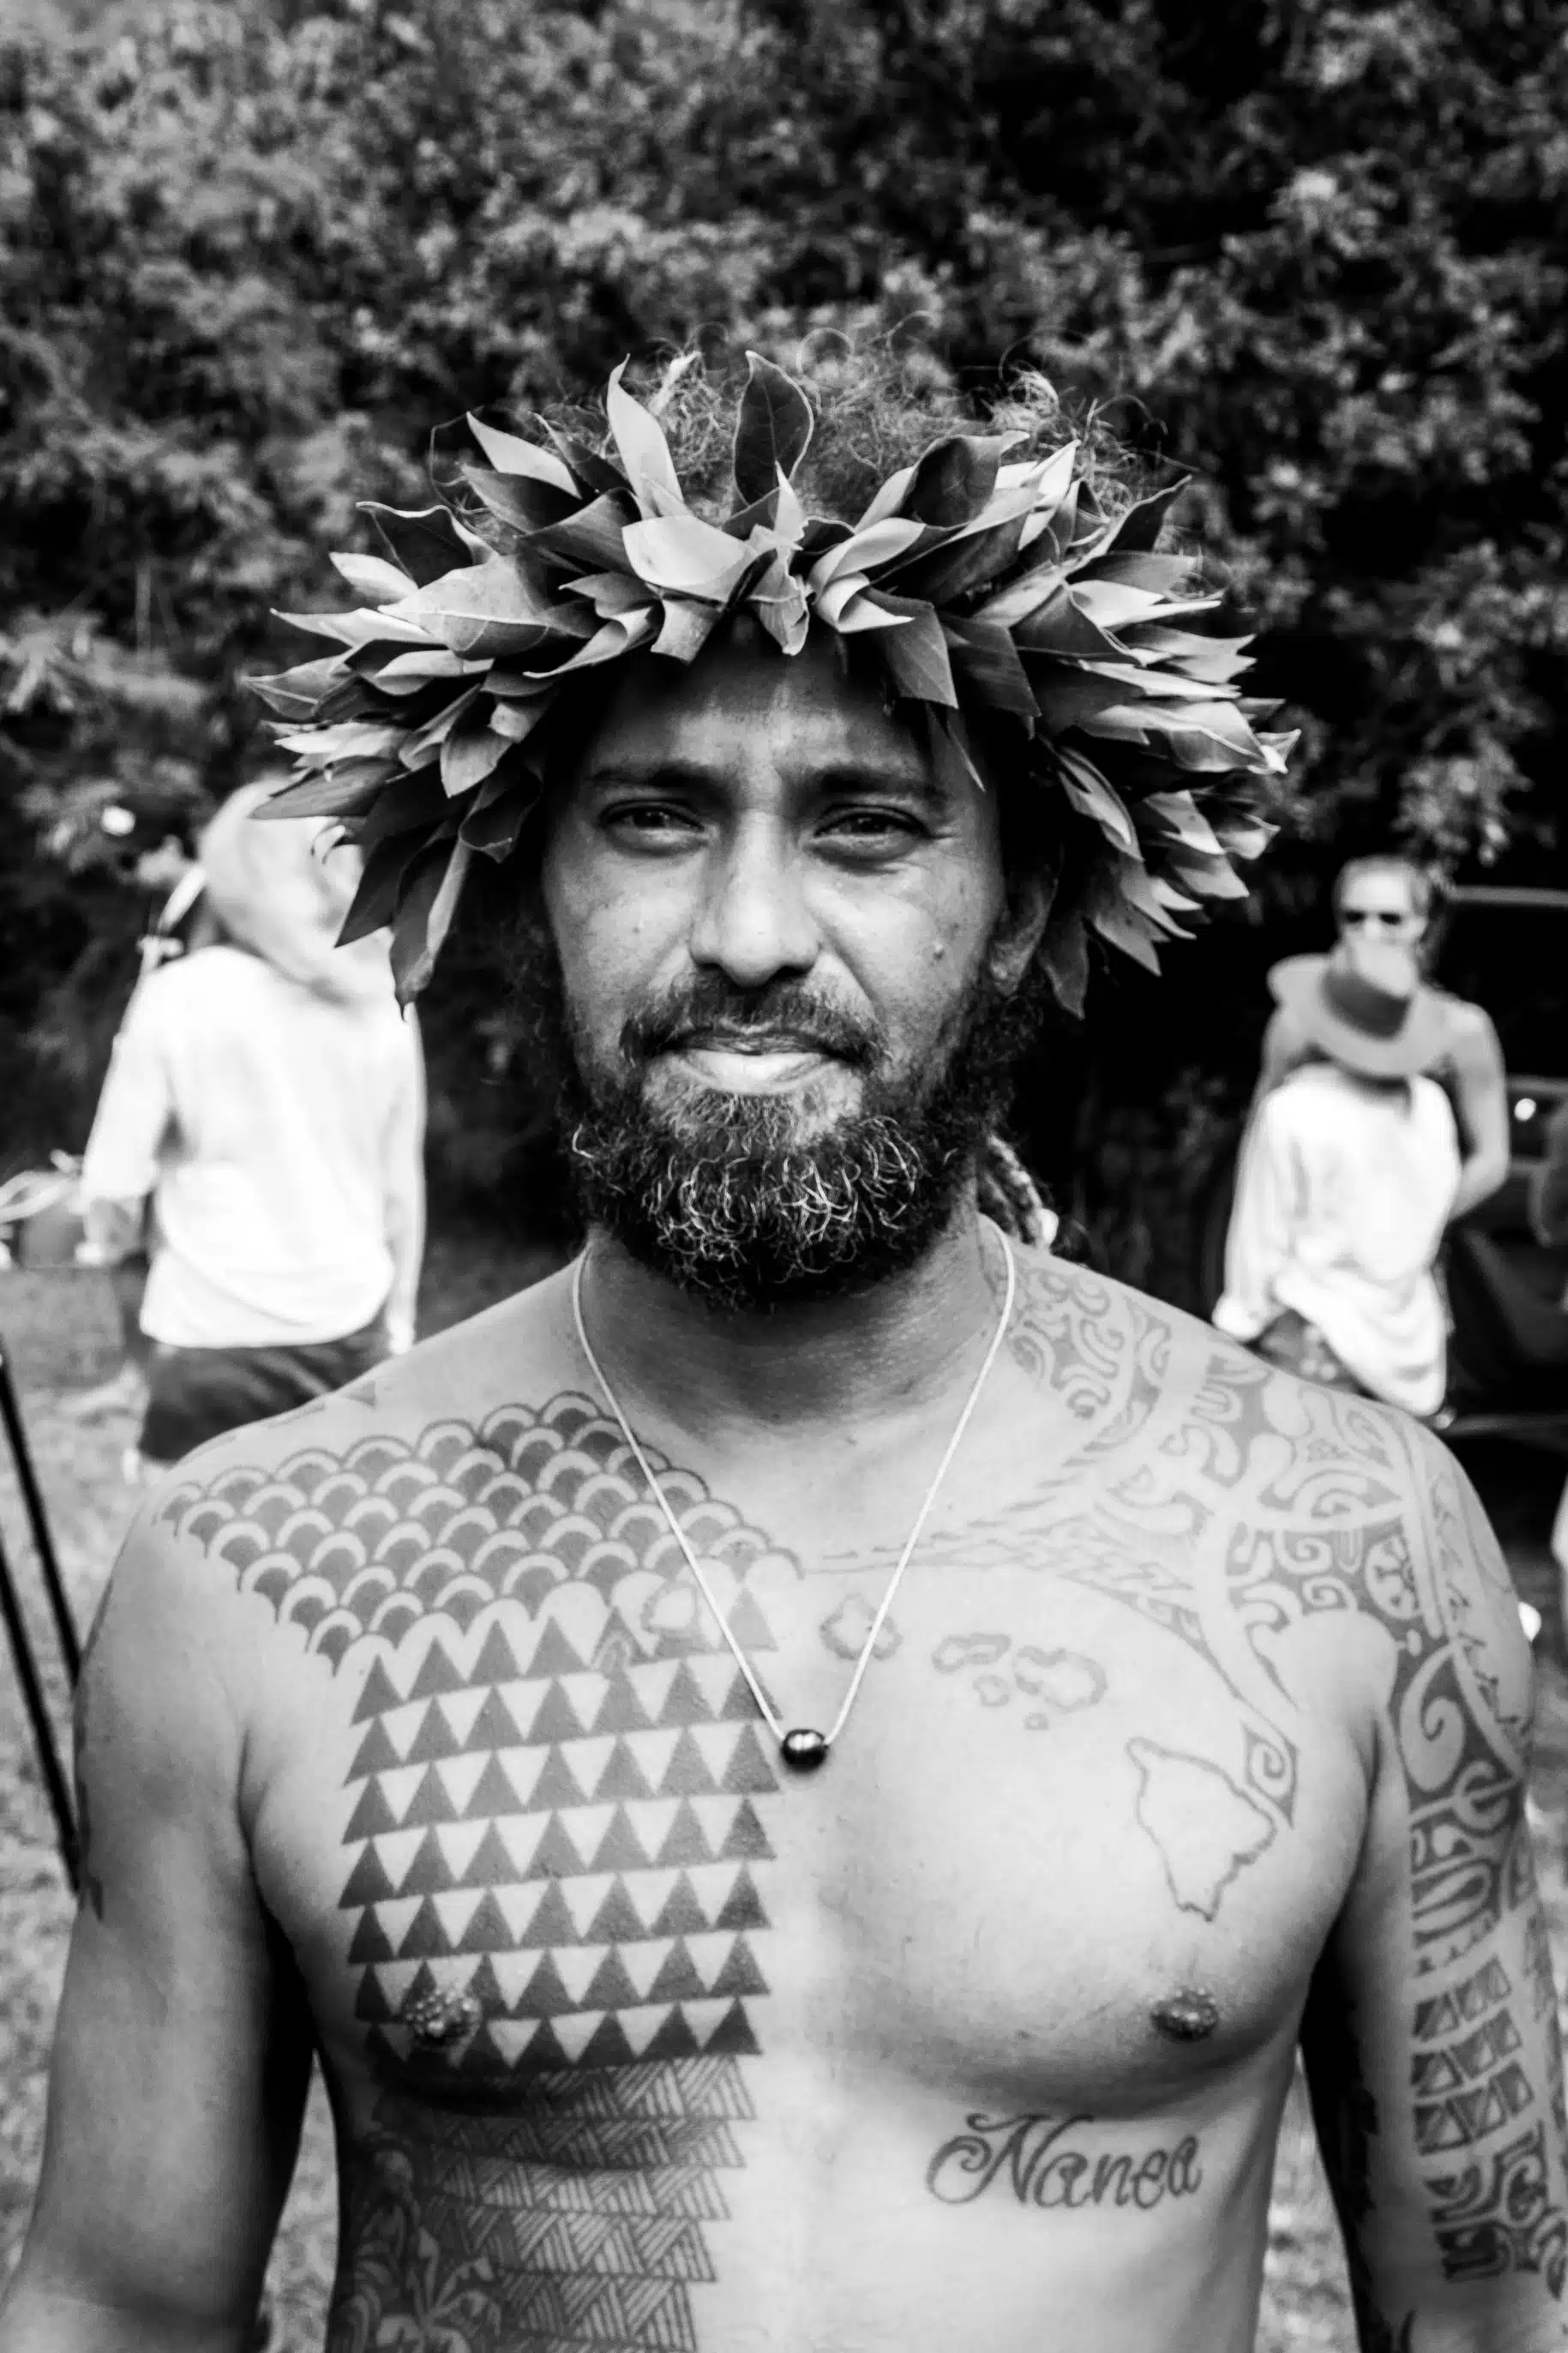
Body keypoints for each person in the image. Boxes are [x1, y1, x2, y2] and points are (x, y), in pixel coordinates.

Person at [4, 355, 1564, 2353]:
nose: (748, 929)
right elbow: (120, 2312)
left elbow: (1486, 2318)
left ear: (1015, 901)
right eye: (654, 818)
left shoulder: (1348, 1545)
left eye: (866, 822)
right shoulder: (254, 1576)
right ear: (530, 882)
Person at [71, 781, 426, 1471]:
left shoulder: (179, 996)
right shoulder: (381, 995)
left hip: (209, 1335)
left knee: (197, 1535)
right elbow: (399, 1187)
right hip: (349, 1325)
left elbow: (112, 1185)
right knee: (339, 1527)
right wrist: (399, 1324)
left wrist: (119, 1251)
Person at [1212, 941, 1461, 1417]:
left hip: (1313, 1347)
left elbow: (1260, 1239)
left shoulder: (1293, 1109)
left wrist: (1239, 1325)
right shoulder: (1432, 1104)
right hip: (1409, 1351)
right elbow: (1435, 1210)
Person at [1259, 852, 1510, 1222]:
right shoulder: (1297, 1022)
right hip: (1311, 1237)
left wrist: (1415, 1228)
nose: (1371, 932)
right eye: (1354, 917)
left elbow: (1492, 1158)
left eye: (1391, 919)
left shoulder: (1462, 1028)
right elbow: (1261, 1142)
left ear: (1422, 924)